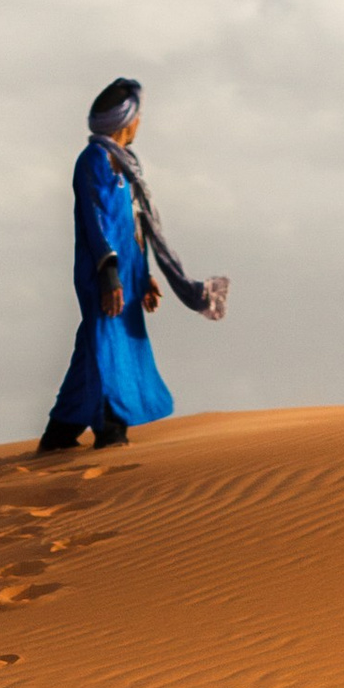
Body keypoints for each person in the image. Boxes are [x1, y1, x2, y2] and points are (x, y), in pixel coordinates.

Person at [36, 77, 226, 454]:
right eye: (138, 117)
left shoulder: (127, 163)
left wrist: (144, 276)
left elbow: (134, 223)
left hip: (128, 274)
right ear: (126, 120)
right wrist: (109, 276)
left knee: (95, 347)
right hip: (103, 276)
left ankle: (62, 430)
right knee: (109, 344)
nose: (141, 123)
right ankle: (110, 429)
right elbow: (98, 221)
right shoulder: (94, 160)